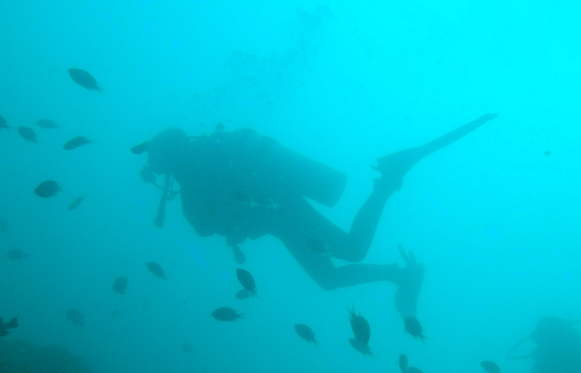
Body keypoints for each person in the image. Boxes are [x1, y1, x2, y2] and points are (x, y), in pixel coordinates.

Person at [138, 115, 497, 319]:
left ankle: (387, 182)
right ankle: (399, 275)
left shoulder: (194, 170)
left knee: (352, 250)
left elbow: (201, 225)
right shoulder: (203, 158)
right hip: (278, 210)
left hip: (279, 212)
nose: (155, 169)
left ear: (168, 156)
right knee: (330, 278)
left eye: (156, 161)